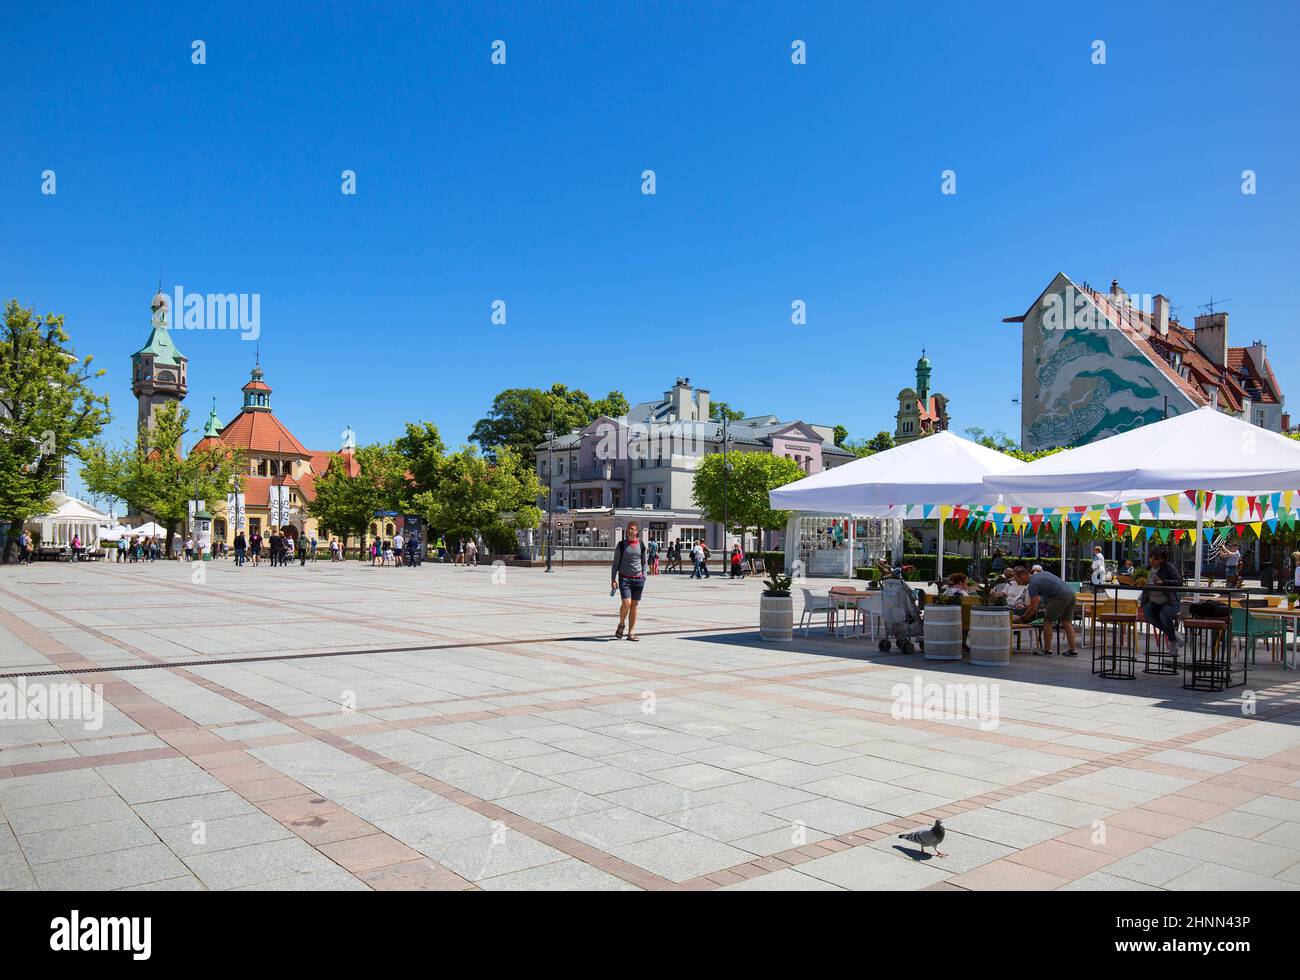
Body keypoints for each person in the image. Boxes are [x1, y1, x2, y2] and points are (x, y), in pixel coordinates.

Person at [1013, 565, 1079, 657]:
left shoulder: (1032, 585)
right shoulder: (1042, 575)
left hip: (1060, 597)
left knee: (1047, 622)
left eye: (1017, 580)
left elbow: (1033, 607)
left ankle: (1047, 650)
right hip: (1071, 594)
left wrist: (1022, 618)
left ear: (1023, 576)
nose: (1017, 582)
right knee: (1066, 622)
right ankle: (1073, 650)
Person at [1139, 548, 1184, 653]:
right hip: (1151, 601)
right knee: (1148, 614)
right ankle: (1173, 634)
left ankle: (1172, 641)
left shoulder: (1168, 567)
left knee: (1164, 615)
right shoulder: (1146, 569)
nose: (1152, 561)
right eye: (1151, 558)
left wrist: (1164, 582)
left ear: (1162, 559)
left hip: (1169, 601)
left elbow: (1179, 581)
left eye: (1155, 559)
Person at [612, 521, 649, 641]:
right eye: (629, 529)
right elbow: (615, 563)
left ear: (637, 531)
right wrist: (613, 579)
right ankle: (622, 623)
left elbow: (644, 561)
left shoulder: (641, 544)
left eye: (633, 529)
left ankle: (631, 633)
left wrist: (644, 575)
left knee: (634, 606)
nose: (630, 531)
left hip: (638, 579)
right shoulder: (621, 545)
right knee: (626, 603)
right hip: (625, 578)